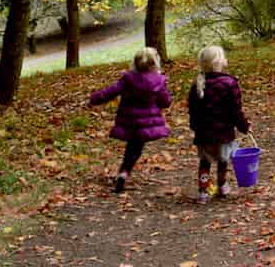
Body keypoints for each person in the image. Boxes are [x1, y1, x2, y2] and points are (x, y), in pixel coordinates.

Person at [88, 47, 171, 194]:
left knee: (132, 146)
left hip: (129, 121)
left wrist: (94, 99)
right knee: (136, 148)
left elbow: (111, 91)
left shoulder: (128, 78)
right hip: (146, 124)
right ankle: (124, 172)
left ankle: (123, 172)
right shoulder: (159, 81)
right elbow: (165, 102)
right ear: (155, 63)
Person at [186, 45, 250, 202]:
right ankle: (222, 186)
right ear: (220, 62)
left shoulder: (197, 83)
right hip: (223, 133)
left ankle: (203, 192)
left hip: (203, 133)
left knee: (205, 161)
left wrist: (195, 127)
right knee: (223, 160)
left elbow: (192, 110)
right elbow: (235, 110)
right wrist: (244, 126)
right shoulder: (229, 83)